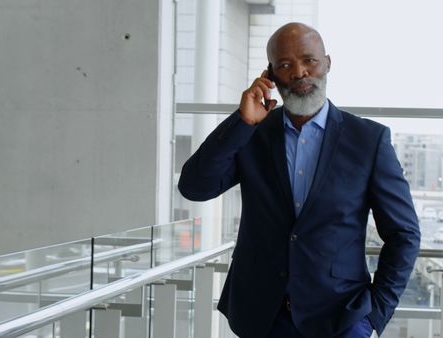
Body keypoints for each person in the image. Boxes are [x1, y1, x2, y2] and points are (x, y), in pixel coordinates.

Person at [178, 22, 420, 338]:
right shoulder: (252, 133)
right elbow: (195, 186)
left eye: (309, 60)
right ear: (271, 75)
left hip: (342, 318)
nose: (299, 72)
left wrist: (375, 315)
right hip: (262, 317)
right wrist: (242, 122)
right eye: (285, 64)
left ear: (327, 64)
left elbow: (404, 233)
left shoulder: (368, 140)